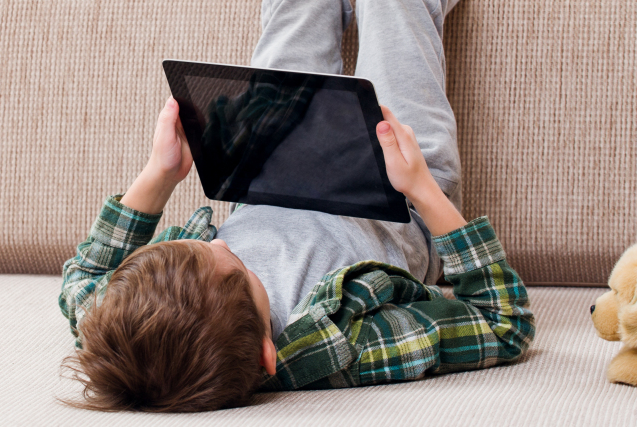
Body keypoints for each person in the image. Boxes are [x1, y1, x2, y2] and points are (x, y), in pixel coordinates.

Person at [58, 0, 534, 412]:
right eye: (243, 267)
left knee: (294, 12)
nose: (218, 243)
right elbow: (504, 324)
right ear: (268, 354)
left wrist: (159, 176)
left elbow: (82, 282)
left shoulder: (123, 337)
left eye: (200, 244)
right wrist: (424, 190)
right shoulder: (349, 348)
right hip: (398, 192)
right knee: (395, 12)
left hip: (271, 169)